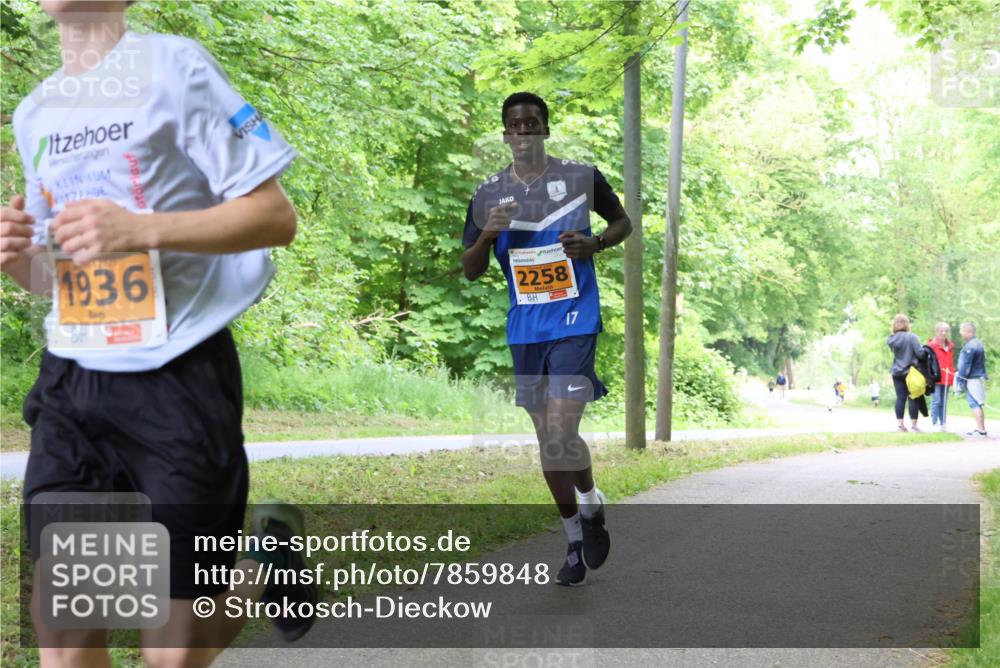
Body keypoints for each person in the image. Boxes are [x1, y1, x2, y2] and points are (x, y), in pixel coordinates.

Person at [1, 2, 316, 665]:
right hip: (73, 384)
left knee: (171, 653)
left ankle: (263, 568)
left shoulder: (174, 69)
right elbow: (53, 271)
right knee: (67, 638)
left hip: (178, 378)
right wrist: (19, 258)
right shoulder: (35, 114)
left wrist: (142, 228)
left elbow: (274, 216)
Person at [461, 92, 632, 586]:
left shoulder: (580, 177)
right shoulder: (487, 193)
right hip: (526, 326)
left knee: (560, 432)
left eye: (532, 124)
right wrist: (487, 236)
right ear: (505, 134)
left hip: (576, 317)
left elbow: (622, 222)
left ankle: (589, 501)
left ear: (545, 129)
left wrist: (595, 242)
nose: (523, 133)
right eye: (514, 126)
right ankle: (577, 536)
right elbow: (470, 271)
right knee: (548, 441)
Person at [887, 314, 927, 432]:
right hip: (911, 372)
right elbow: (920, 354)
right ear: (907, 324)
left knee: (900, 398)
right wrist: (926, 351)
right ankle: (914, 425)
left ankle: (900, 425)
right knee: (913, 397)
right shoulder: (912, 337)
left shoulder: (891, 339)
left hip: (896, 372)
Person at [955, 322, 988, 437]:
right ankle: (980, 429)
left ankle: (981, 430)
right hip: (976, 377)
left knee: (975, 403)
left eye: (962, 331)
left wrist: (960, 381)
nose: (960, 333)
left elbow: (965, 365)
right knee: (976, 403)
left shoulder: (971, 346)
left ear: (969, 332)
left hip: (972, 378)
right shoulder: (978, 343)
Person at [927, 322, 956, 432]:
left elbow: (950, 362)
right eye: (941, 330)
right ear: (936, 331)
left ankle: (943, 424)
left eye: (946, 331)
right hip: (935, 378)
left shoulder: (950, 346)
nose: (943, 333)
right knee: (936, 401)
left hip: (947, 377)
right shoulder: (931, 346)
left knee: (943, 402)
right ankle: (934, 424)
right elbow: (927, 363)